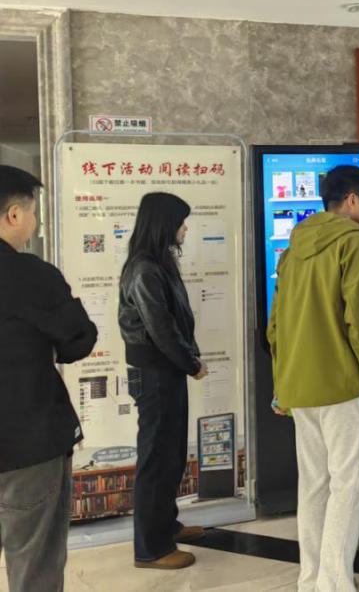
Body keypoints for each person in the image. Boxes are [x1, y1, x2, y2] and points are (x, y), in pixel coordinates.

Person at [268, 166, 359, 591]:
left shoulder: (294, 247)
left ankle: (311, 579)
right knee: (349, 485)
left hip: (299, 386)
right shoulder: (353, 244)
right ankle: (335, 583)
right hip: (343, 384)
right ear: (353, 200)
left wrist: (282, 384)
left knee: (314, 486)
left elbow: (275, 325)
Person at [0, 166, 98, 592]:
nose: (34, 223)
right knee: (34, 565)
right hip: (27, 443)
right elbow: (79, 338)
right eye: (33, 213)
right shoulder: (29, 274)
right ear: (14, 215)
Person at [118, 193, 207, 569]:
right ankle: (151, 549)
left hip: (167, 370)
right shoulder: (144, 269)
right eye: (180, 222)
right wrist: (190, 363)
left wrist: (189, 359)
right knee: (156, 458)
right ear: (164, 224)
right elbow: (161, 329)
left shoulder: (159, 263)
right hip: (155, 372)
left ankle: (166, 526)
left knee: (171, 453)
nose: (185, 229)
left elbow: (177, 318)